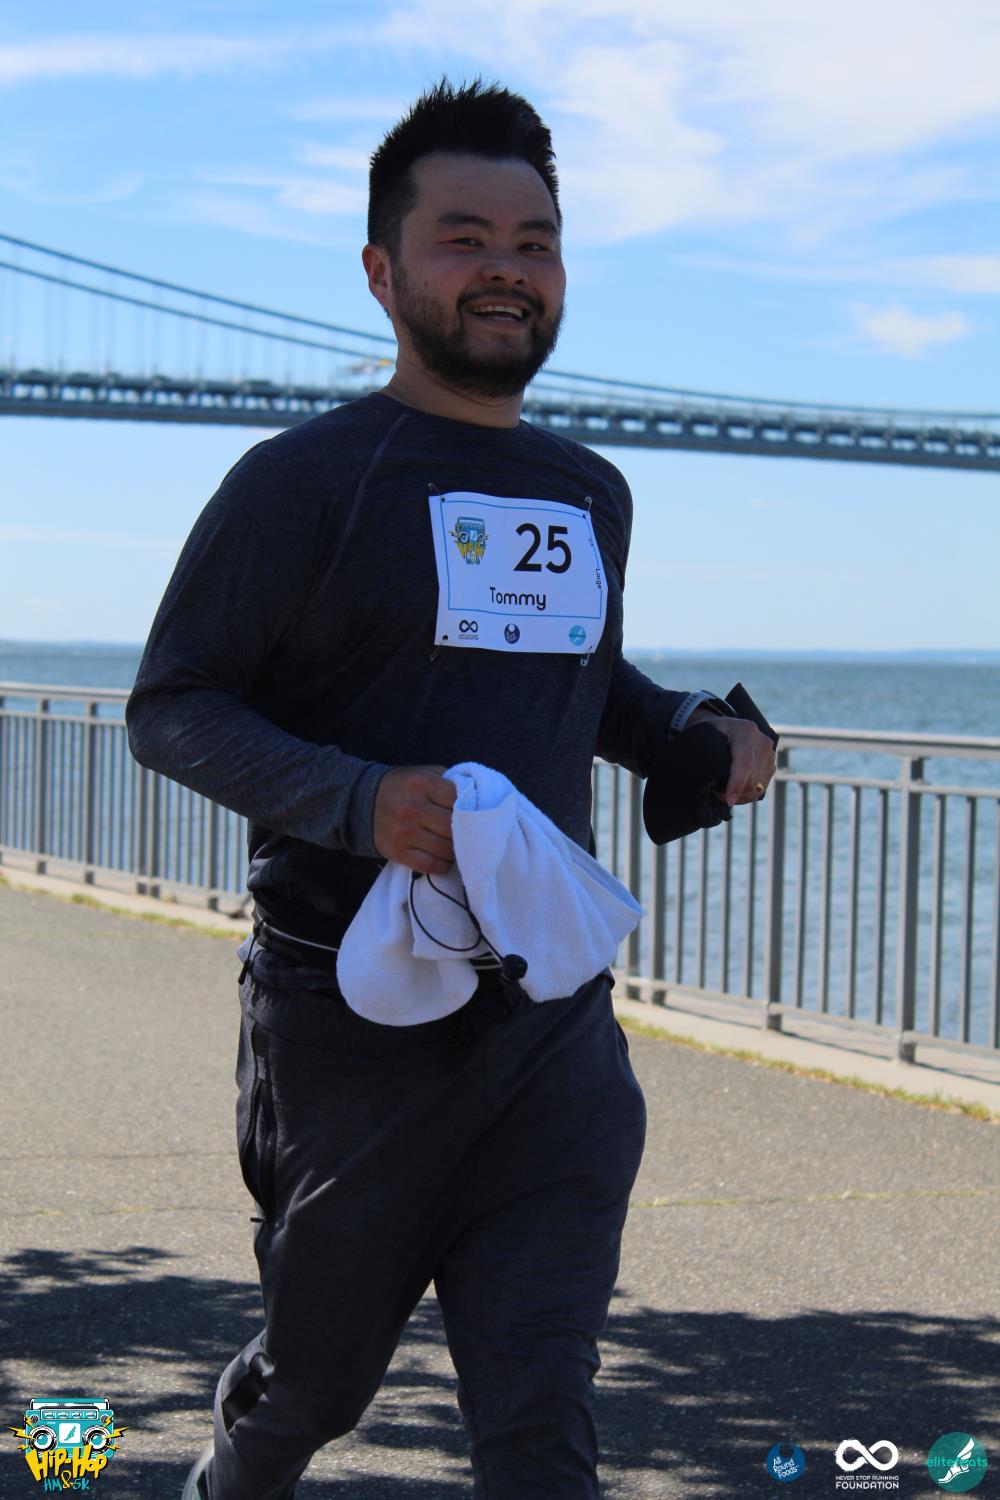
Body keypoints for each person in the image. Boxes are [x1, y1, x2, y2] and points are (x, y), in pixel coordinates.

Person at [126, 75, 776, 1500]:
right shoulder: (299, 483)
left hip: (551, 1029)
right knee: (315, 1388)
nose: (506, 269)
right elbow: (171, 708)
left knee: (540, 1418)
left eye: (535, 242)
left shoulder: (589, 489)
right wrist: (359, 800)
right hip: (347, 1030)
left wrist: (696, 733)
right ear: (382, 271)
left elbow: (578, 680)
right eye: (464, 238)